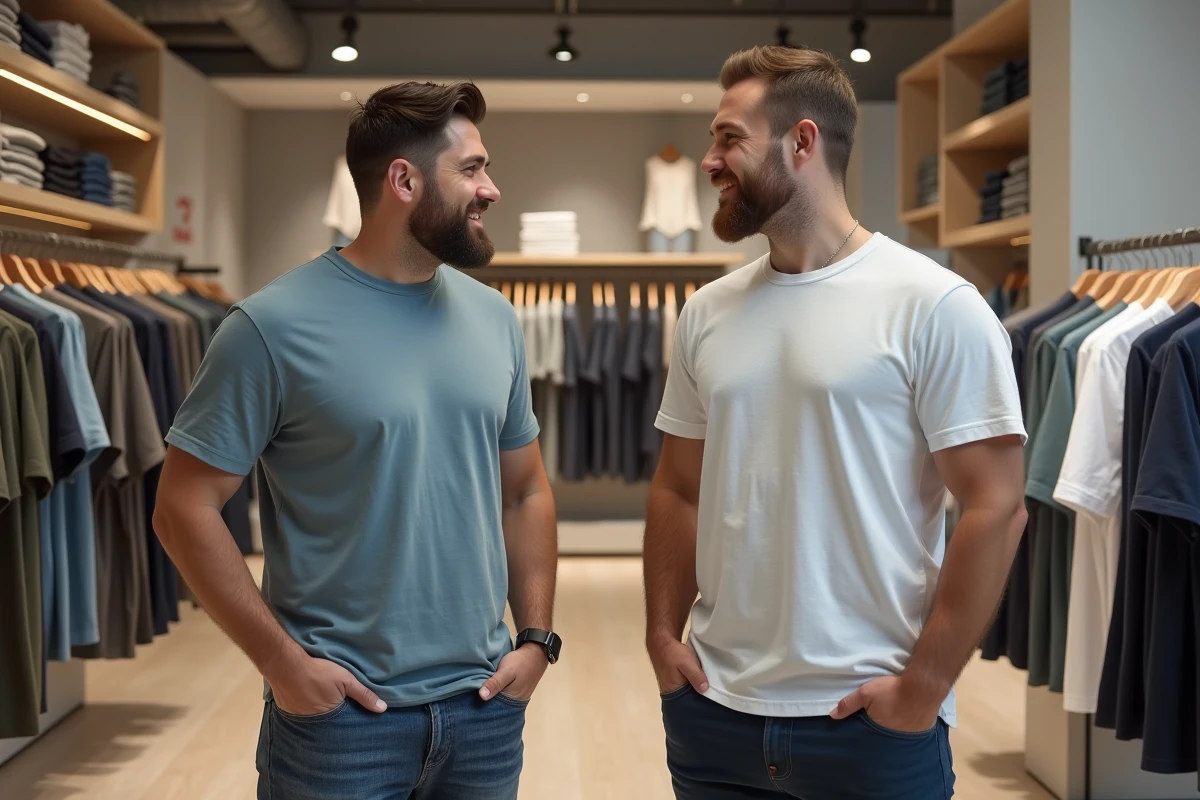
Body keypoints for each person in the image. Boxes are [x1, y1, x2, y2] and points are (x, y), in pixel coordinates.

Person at [153, 81, 562, 800]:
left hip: (485, 709)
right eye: (471, 169)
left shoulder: (495, 319)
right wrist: (281, 664)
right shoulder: (269, 328)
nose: (491, 189)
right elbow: (182, 507)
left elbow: (525, 489)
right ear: (402, 180)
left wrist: (536, 640)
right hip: (341, 724)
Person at [643, 46, 1028, 799]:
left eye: (728, 138)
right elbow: (678, 488)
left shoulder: (936, 306)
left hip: (869, 726)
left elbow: (997, 506)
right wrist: (662, 636)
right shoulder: (707, 312)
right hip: (715, 717)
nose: (708, 160)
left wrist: (924, 688)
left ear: (802, 142)